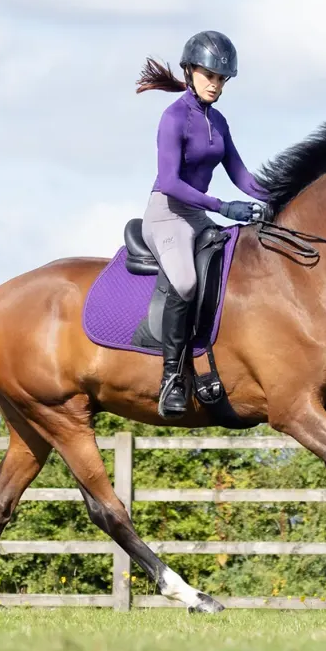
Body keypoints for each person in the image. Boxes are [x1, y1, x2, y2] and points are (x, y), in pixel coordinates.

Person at [135, 30, 269, 418]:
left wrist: (278, 197)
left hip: (196, 214)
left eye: (222, 78)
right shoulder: (173, 118)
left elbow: (242, 176)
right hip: (167, 213)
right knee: (186, 282)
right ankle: (172, 380)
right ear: (189, 71)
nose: (215, 84)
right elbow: (170, 182)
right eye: (209, 75)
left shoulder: (219, 122)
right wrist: (223, 206)